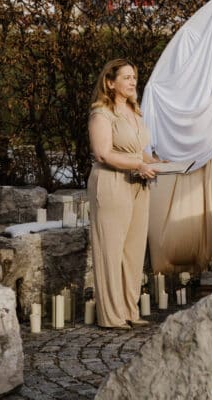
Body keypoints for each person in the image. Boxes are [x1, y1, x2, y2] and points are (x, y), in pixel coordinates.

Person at [87, 59, 160, 329]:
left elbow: (137, 150)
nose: (132, 81)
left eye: (134, 77)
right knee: (110, 250)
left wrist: (156, 163)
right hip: (111, 183)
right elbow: (103, 154)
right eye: (126, 77)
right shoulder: (101, 114)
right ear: (110, 82)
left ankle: (130, 310)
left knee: (133, 251)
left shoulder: (133, 111)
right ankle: (111, 316)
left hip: (138, 184)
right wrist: (138, 165)